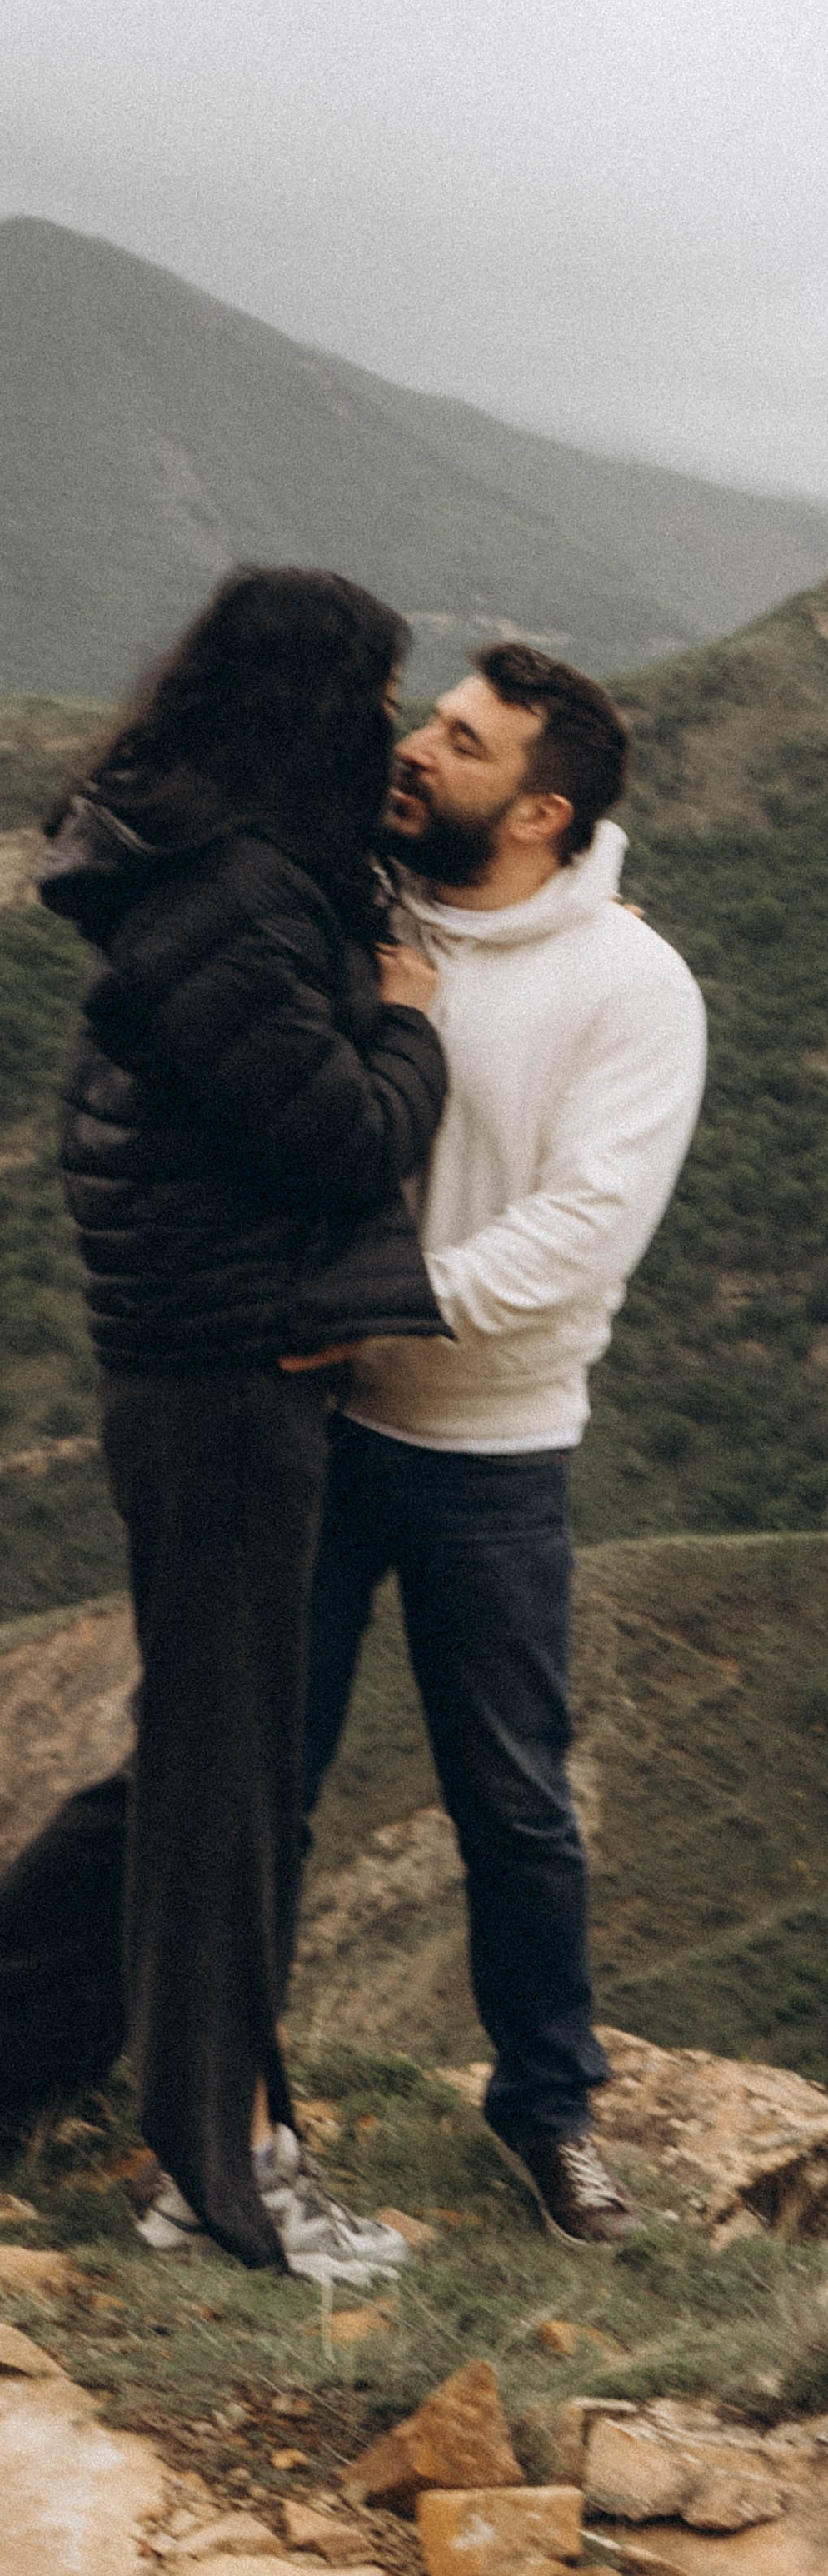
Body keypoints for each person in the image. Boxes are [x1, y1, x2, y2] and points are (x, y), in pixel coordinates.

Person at [0, 567, 449, 2283]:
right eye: (385, 690)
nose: (396, 726)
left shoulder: (213, 871)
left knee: (202, 1761)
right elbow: (339, 1138)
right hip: (228, 1380)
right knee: (223, 1785)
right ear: (312, 699)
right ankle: (215, 2177)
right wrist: (411, 1022)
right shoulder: (233, 898)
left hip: (215, 1362)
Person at [301, 641, 706, 2245]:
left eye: (458, 743)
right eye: (431, 717)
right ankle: (224, 2087)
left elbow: (587, 1230)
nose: (416, 748)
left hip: (492, 1452)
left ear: (539, 810)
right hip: (314, 1420)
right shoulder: (365, 910)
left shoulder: (630, 985)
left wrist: (387, 1310)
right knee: (267, 1771)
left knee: (516, 1803)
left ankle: (549, 2115)